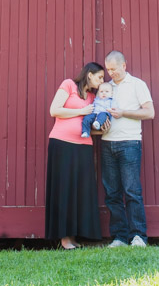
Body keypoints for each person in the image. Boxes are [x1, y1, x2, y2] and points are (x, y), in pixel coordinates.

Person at [45, 62, 105, 249]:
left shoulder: (94, 97)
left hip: (83, 147)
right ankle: (63, 238)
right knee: (64, 191)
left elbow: (88, 124)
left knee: (79, 193)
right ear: (89, 75)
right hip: (61, 145)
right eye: (100, 77)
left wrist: (102, 129)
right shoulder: (68, 85)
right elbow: (54, 110)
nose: (102, 81)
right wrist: (80, 111)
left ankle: (74, 237)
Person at [101, 50, 154, 248]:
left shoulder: (137, 85)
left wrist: (123, 113)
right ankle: (119, 237)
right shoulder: (106, 87)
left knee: (132, 191)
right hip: (107, 143)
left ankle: (138, 236)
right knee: (112, 193)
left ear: (124, 65)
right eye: (108, 70)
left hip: (130, 143)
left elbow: (149, 112)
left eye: (114, 69)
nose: (111, 73)